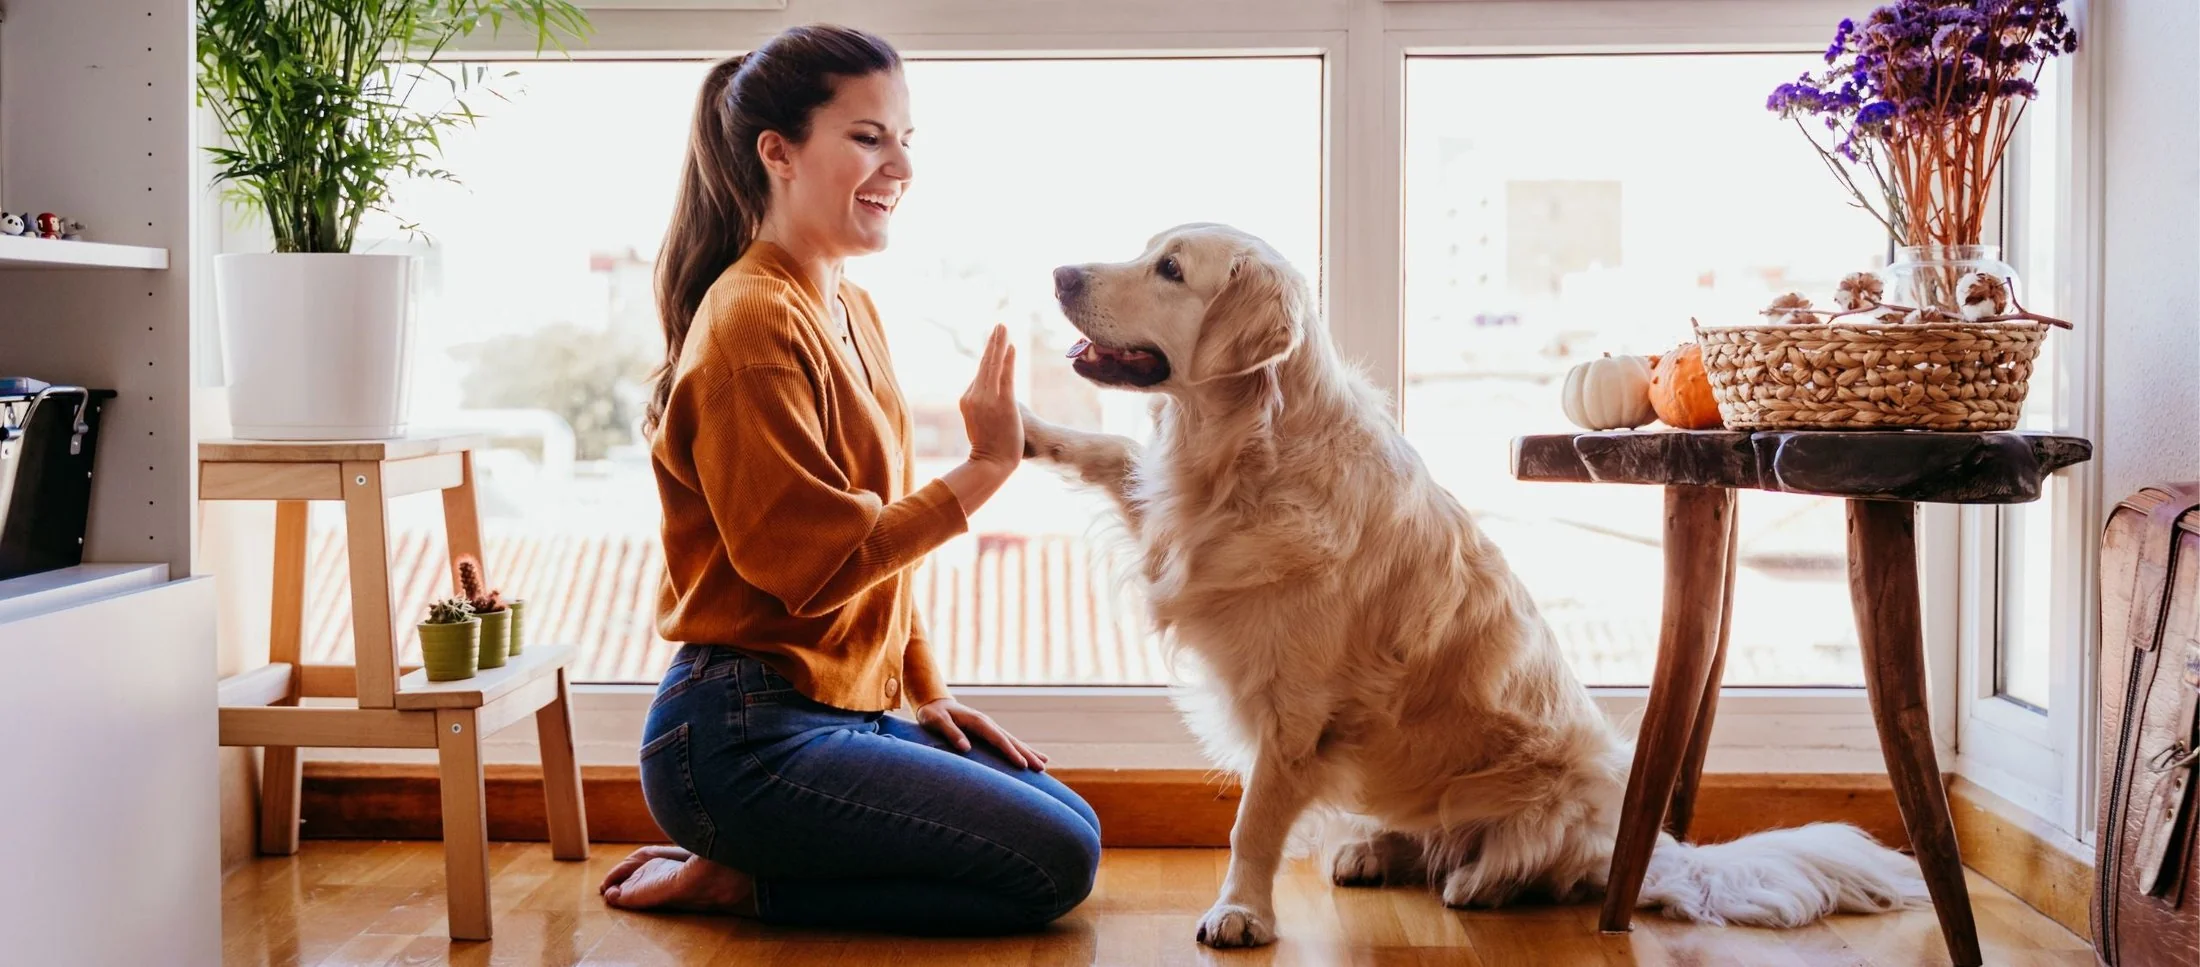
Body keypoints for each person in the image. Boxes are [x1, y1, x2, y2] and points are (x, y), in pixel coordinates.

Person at [596, 24, 1101, 934]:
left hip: (840, 708)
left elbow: (879, 548)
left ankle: (752, 865)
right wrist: (987, 466)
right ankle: (738, 882)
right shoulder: (751, 322)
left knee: (1074, 823)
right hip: (739, 734)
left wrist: (927, 689)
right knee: (1055, 861)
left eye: (905, 139)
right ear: (778, 153)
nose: (900, 166)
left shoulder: (847, 305)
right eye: (868, 138)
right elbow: (817, 566)